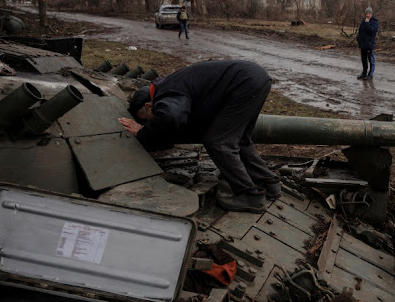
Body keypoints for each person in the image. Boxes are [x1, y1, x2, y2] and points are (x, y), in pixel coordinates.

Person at [118, 60, 281, 213]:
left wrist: (142, 133)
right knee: (241, 141)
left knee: (218, 143)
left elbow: (170, 116)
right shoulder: (172, 84)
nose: (149, 121)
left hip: (244, 82)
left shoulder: (166, 92)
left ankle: (250, 197)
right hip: (253, 77)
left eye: (145, 118)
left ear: (148, 105)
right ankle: (268, 184)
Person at [356, 7, 378, 80]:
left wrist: (367, 23)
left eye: (369, 13)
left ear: (371, 14)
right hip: (363, 44)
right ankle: (364, 73)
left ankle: (370, 74)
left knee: (371, 60)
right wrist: (358, 38)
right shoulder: (363, 21)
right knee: (364, 60)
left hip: (369, 44)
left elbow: (371, 31)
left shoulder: (374, 21)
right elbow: (361, 31)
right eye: (367, 13)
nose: (368, 15)